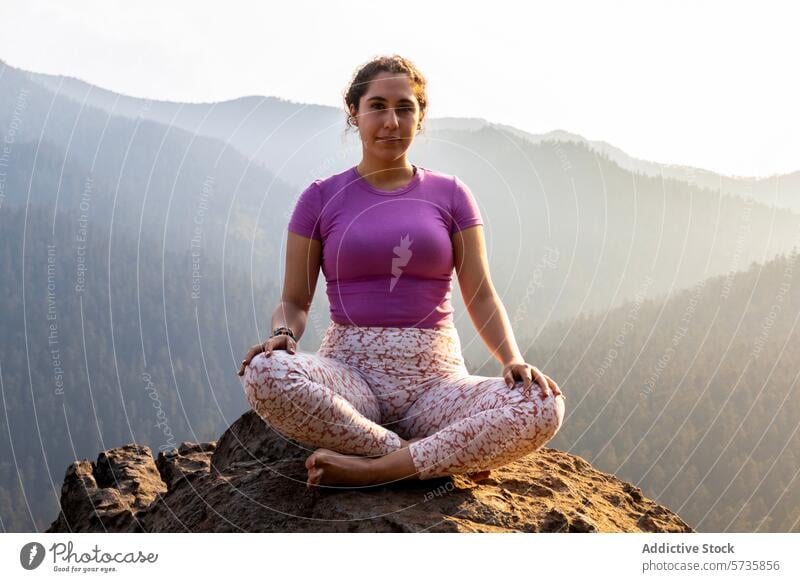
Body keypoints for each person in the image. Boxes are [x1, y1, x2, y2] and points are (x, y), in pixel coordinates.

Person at [238, 54, 565, 489]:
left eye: (404, 107)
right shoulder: (320, 199)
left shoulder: (451, 195)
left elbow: (481, 294)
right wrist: (284, 334)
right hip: (350, 380)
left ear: (420, 115)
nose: (391, 121)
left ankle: (375, 468)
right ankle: (429, 456)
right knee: (264, 371)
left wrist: (512, 360)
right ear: (354, 113)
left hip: (437, 384)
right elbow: (295, 301)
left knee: (542, 403)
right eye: (377, 106)